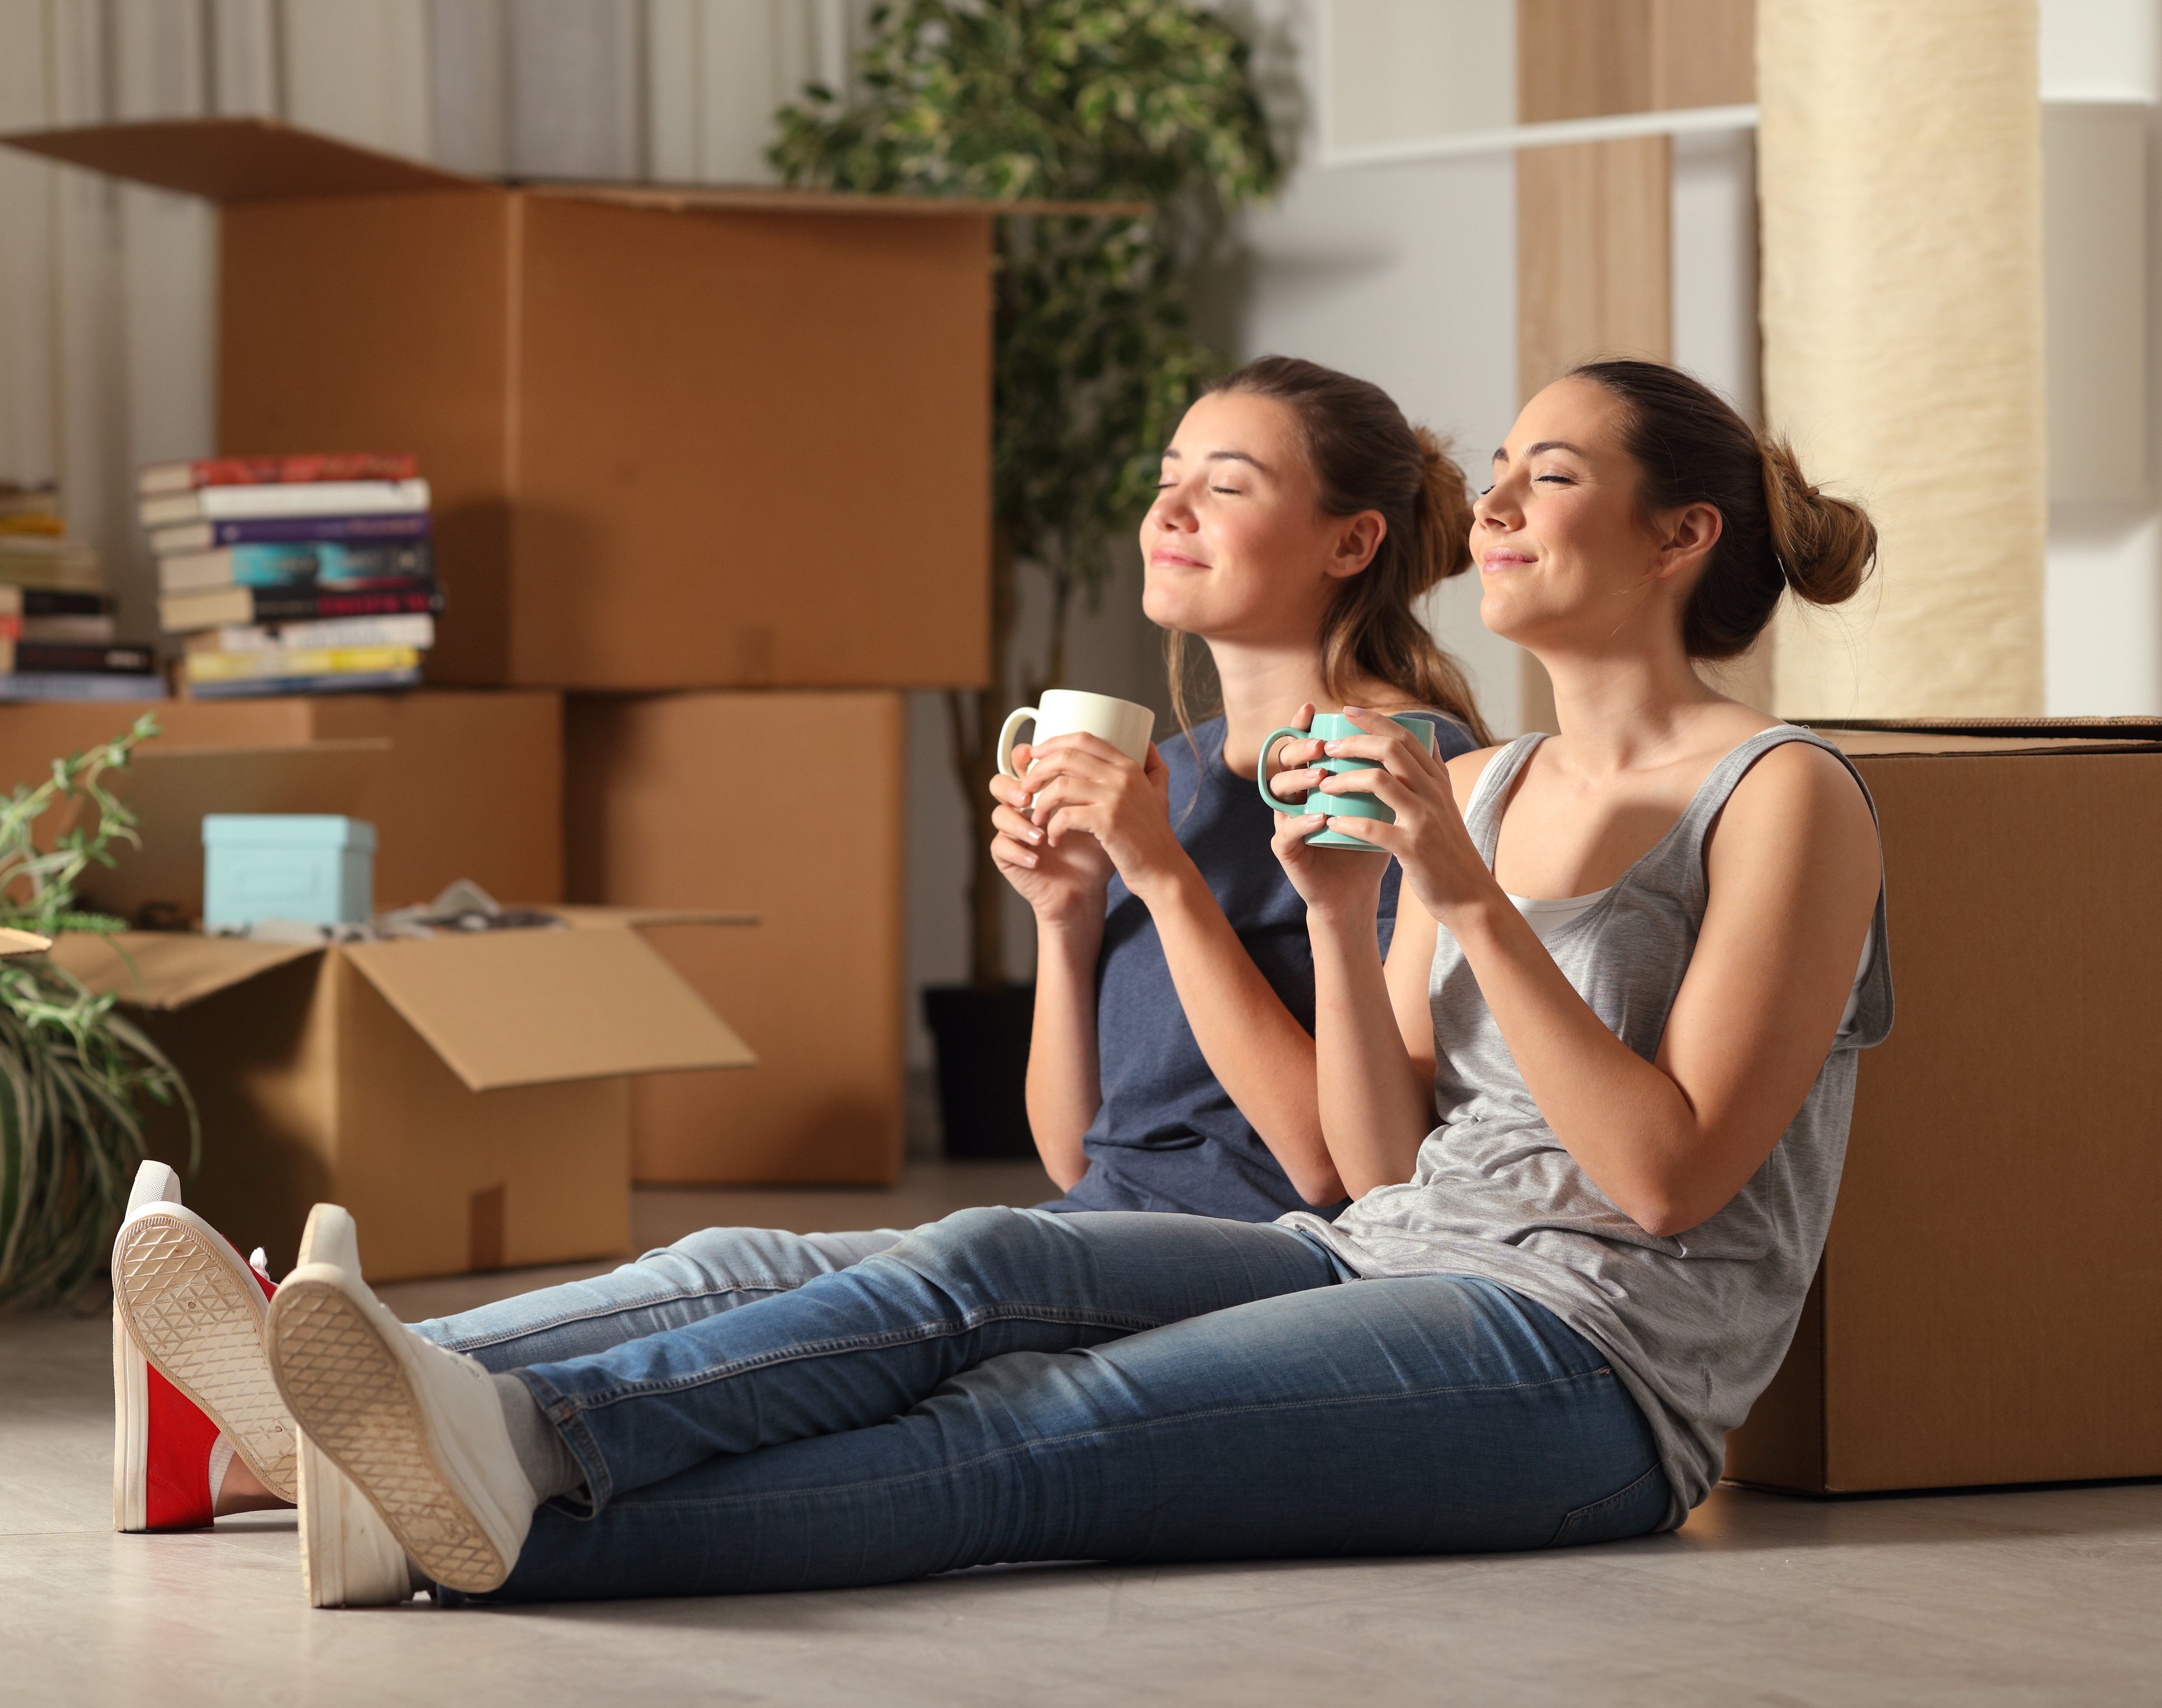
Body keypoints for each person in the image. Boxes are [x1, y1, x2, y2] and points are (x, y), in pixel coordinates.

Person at [250, 356, 1892, 1602]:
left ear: (1681, 535)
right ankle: (490, 1422)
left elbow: (1669, 1178)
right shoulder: (1480, 785)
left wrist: (1459, 902)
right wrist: (1341, 904)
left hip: (1594, 1364)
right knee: (973, 1260)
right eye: (1507, 477)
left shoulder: (1784, 795)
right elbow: (1381, 1167)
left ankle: (487, 1520)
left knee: (1039, 1433)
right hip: (1375, 1253)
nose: (1506, 508)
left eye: (1553, 476)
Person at [111, 358, 1483, 1576]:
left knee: (936, 1271)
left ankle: (351, 1404)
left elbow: (1336, 1170)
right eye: (1166, 477)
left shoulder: (1399, 770)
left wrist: (1158, 878)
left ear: (1348, 540)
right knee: (742, 1254)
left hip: (1266, 1268)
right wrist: (1064, 920)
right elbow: (1081, 1154)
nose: (1168, 511)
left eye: (1224, 485)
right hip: (1093, 1232)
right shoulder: (1165, 774)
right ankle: (286, 1399)